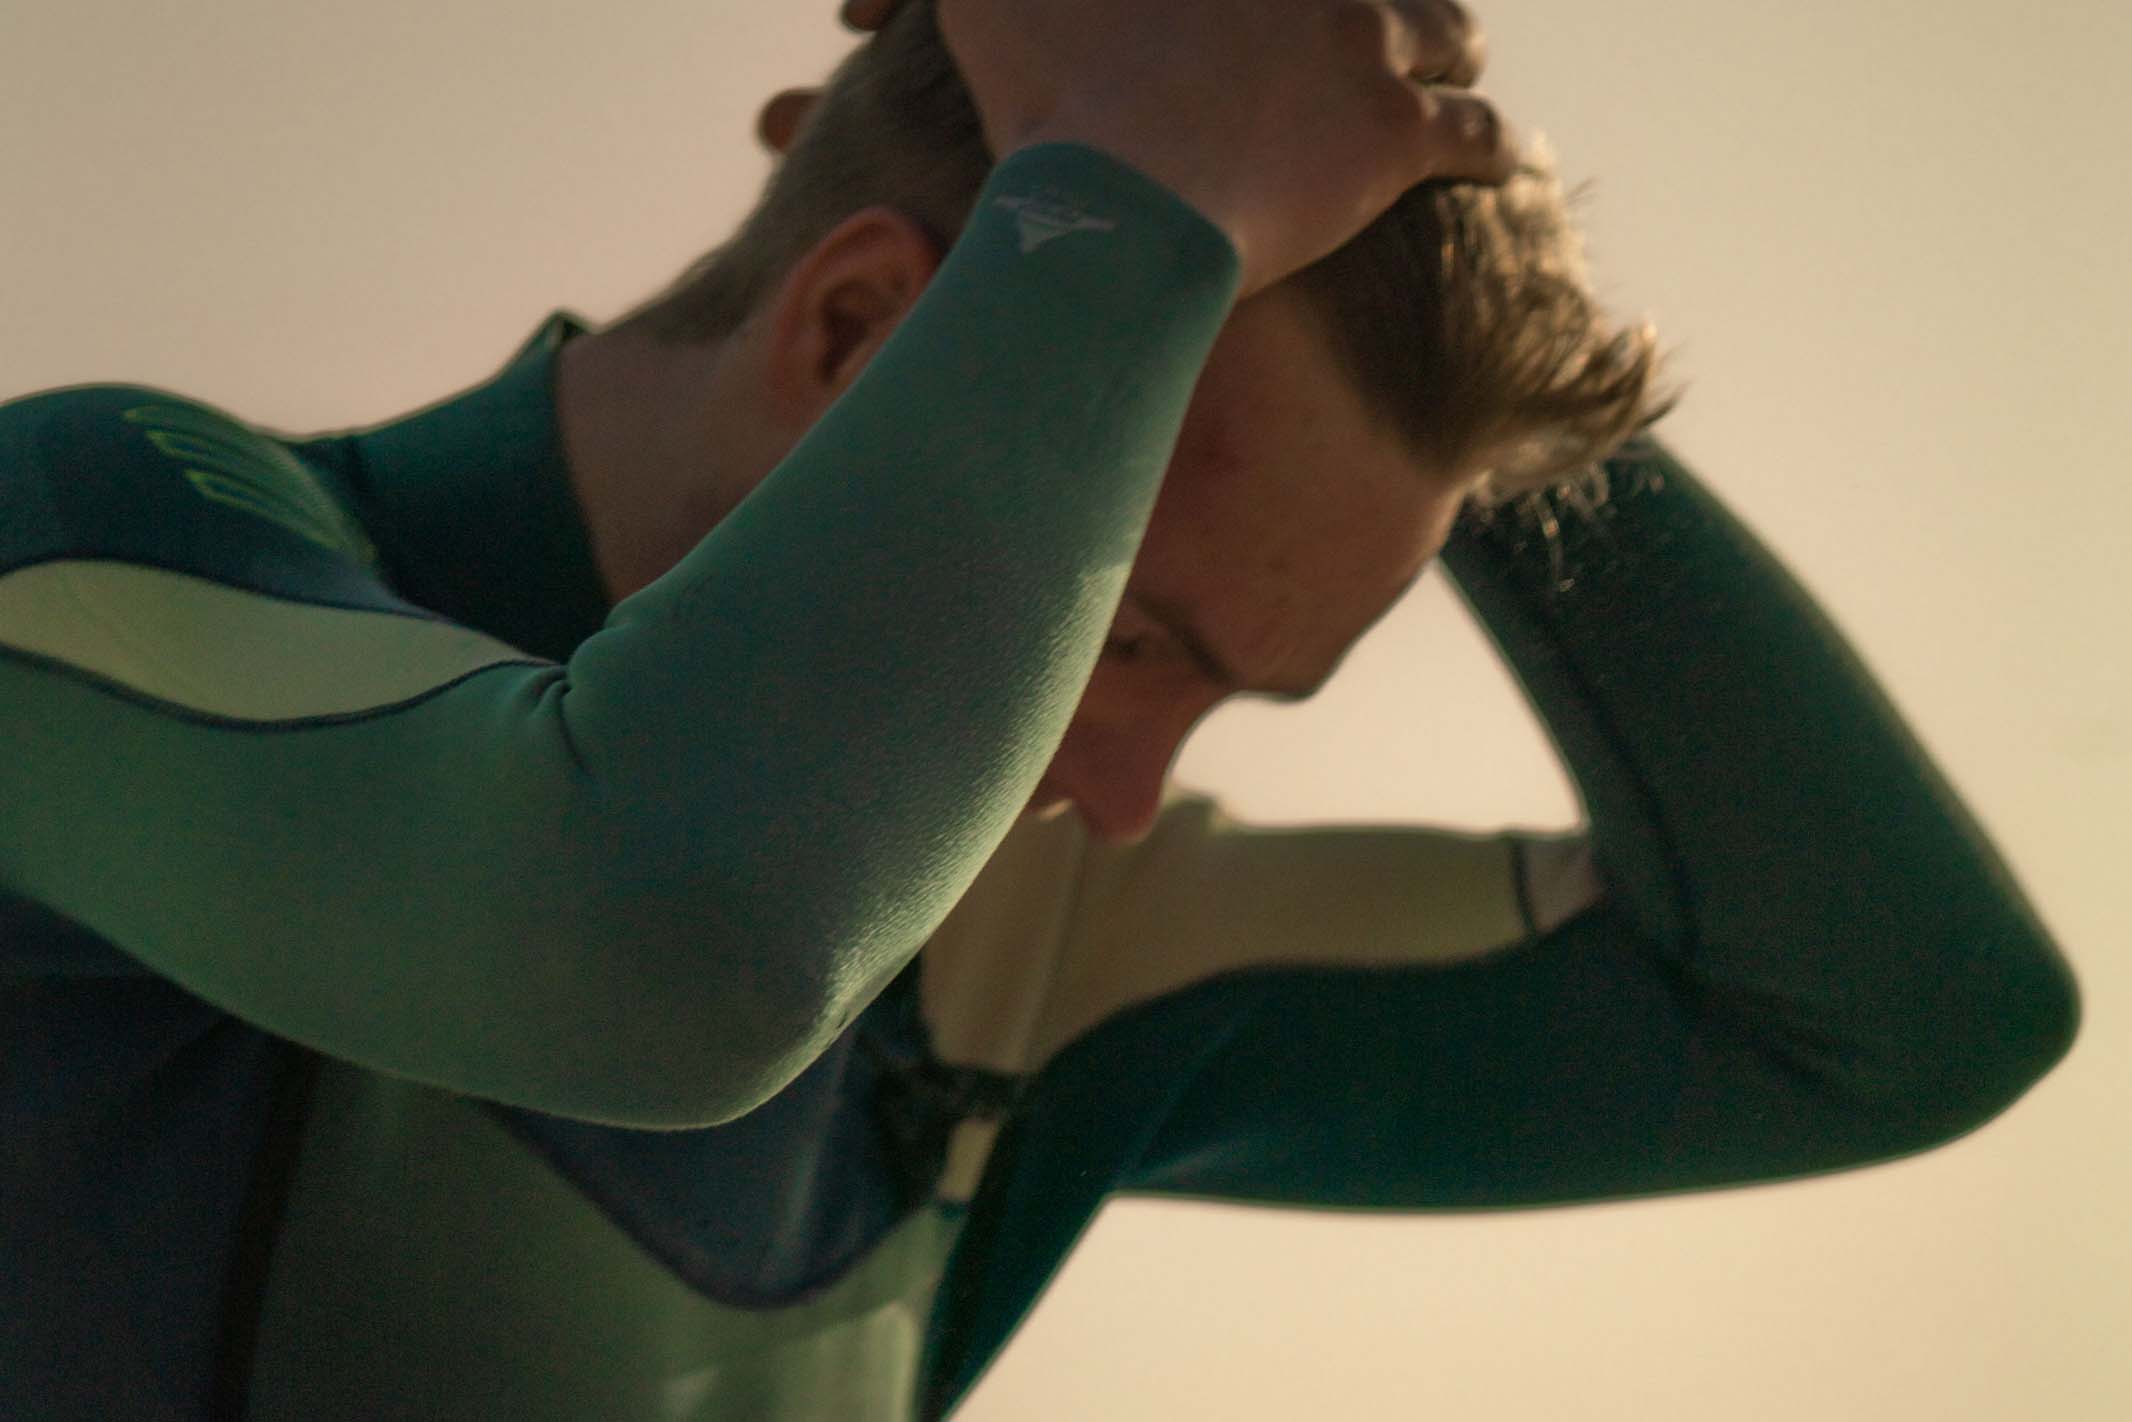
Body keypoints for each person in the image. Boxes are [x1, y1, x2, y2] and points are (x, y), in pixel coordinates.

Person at [0, 0, 2080, 1417]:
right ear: (857, 327)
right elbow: (650, 945)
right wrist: (1149, 195)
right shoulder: (92, 535)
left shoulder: (1037, 955)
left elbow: (1897, 1023)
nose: (1117, 794)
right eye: (1138, 634)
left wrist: (1364, 174)